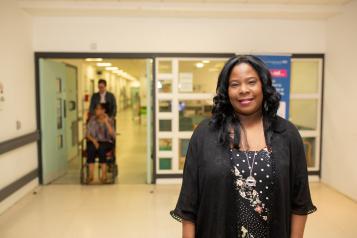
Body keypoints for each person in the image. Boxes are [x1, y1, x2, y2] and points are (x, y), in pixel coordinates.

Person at [170, 55, 316, 238]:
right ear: (226, 90)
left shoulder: (286, 134)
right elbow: (188, 204)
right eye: (235, 84)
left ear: (263, 85)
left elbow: (299, 202)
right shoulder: (205, 134)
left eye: (251, 82)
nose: (243, 90)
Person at [86, 103, 115, 183]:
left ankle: (104, 175)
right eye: (96, 109)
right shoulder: (92, 119)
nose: (96, 111)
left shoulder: (109, 119)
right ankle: (91, 175)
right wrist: (94, 141)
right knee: (90, 148)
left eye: (98, 109)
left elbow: (112, 135)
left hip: (106, 142)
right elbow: (87, 134)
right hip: (94, 140)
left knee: (102, 148)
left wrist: (106, 122)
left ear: (103, 110)